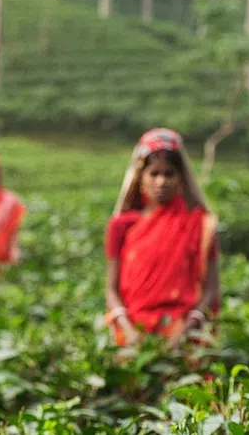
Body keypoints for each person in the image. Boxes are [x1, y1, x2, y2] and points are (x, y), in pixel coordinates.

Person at [104, 128, 220, 348]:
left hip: (183, 333)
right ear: (141, 178)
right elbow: (111, 289)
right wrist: (129, 331)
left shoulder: (200, 225)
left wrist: (184, 332)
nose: (161, 182)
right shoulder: (122, 226)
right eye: (154, 173)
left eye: (169, 174)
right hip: (133, 333)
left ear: (181, 179)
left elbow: (211, 290)